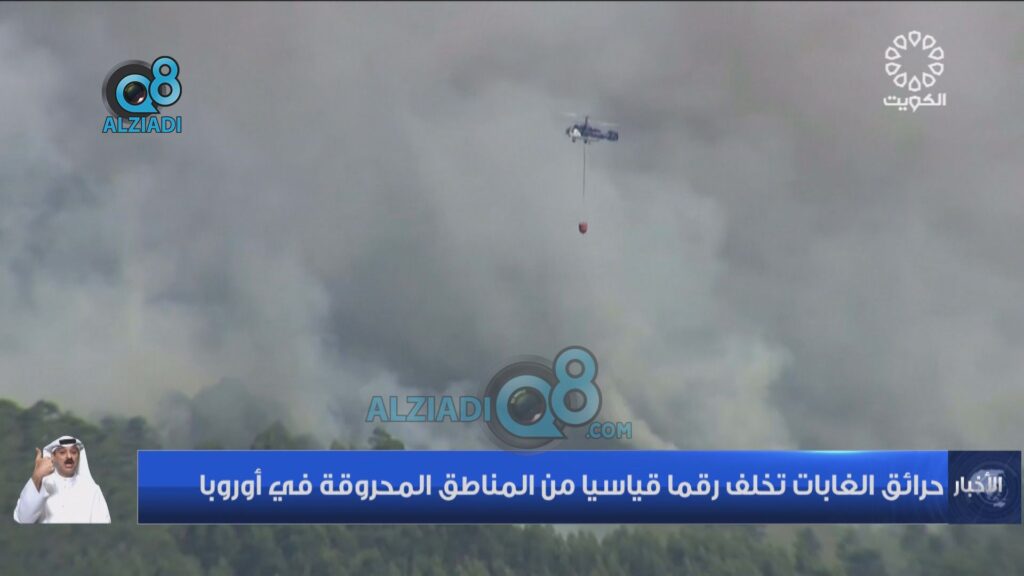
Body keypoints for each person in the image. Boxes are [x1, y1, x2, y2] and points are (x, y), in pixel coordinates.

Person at [13, 435, 111, 524]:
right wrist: (37, 476)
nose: (69, 456)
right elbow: (24, 519)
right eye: (62, 452)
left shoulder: (92, 490)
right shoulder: (41, 484)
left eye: (73, 452)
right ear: (53, 457)